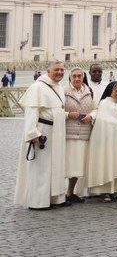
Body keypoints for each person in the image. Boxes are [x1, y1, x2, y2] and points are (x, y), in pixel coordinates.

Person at [14, 61, 69, 210]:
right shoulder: (37, 87)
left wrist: (69, 115)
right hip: (43, 132)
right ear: (48, 71)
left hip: (56, 131)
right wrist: (33, 133)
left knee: (55, 166)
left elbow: (56, 110)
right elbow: (31, 112)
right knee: (41, 168)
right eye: (56, 70)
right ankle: (38, 201)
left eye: (62, 70)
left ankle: (54, 198)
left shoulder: (58, 87)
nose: (59, 72)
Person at [87, 81, 117, 202]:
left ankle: (115, 190)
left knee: (116, 163)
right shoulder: (104, 103)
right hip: (105, 140)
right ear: (111, 91)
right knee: (106, 163)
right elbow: (103, 120)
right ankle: (104, 191)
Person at [63, 68, 96, 203]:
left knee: (77, 166)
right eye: (74, 76)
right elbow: (57, 111)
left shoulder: (89, 92)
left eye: (79, 76)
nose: (77, 79)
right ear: (70, 78)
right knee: (64, 165)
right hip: (67, 134)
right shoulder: (63, 91)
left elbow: (96, 108)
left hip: (83, 133)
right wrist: (68, 115)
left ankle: (70, 192)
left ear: (83, 77)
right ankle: (59, 193)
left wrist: (91, 116)